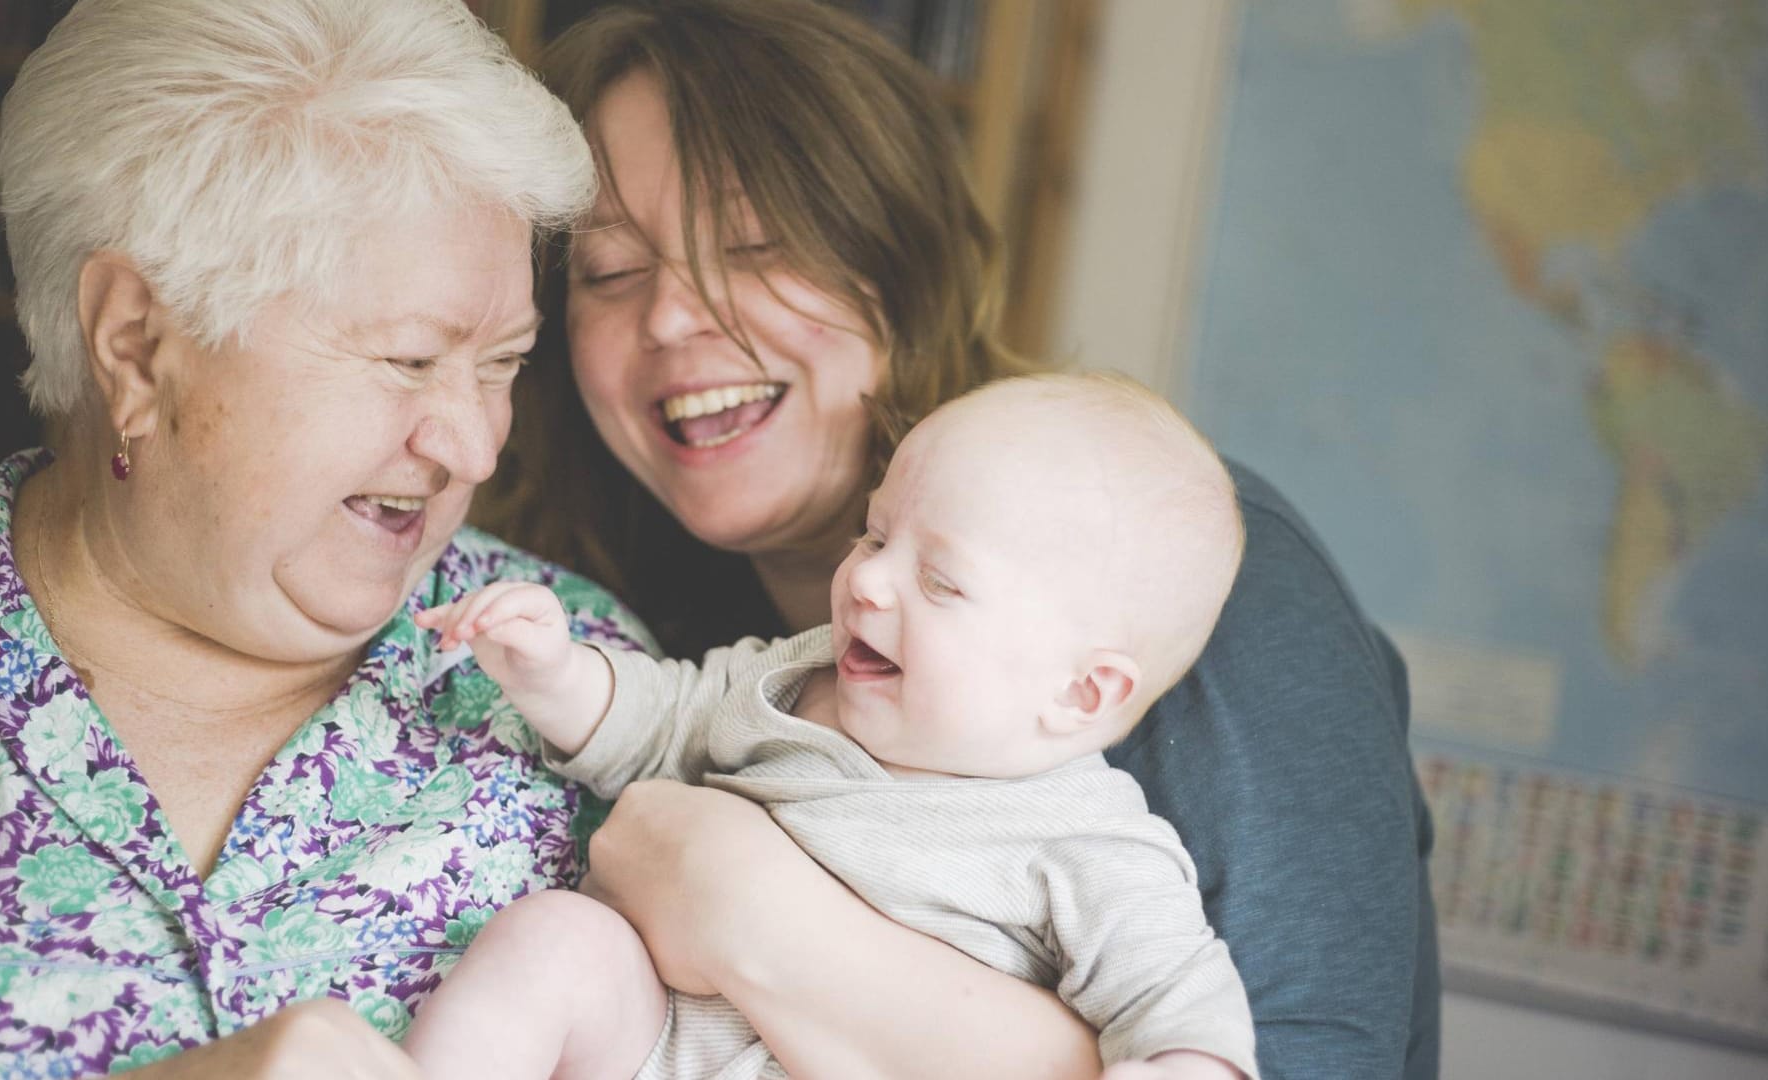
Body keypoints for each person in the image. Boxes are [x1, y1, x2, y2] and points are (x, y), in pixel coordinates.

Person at [482, 1, 1441, 1077]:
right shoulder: (645, 623)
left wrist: (750, 912)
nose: (670, 318)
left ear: (897, 262)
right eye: (610, 272)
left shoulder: (1175, 580)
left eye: (753, 245)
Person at [0, 1, 648, 1076]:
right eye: (410, 359)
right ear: (137, 347)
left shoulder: (593, 699)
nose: (472, 446)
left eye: (502, 363)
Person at [412, 373, 1259, 1080]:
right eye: (875, 534)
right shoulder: (798, 676)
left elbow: (1185, 1015)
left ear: (1080, 693)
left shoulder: (1095, 846)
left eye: (941, 582)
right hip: (654, 1048)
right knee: (555, 940)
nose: (868, 583)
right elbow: (659, 719)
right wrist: (555, 673)